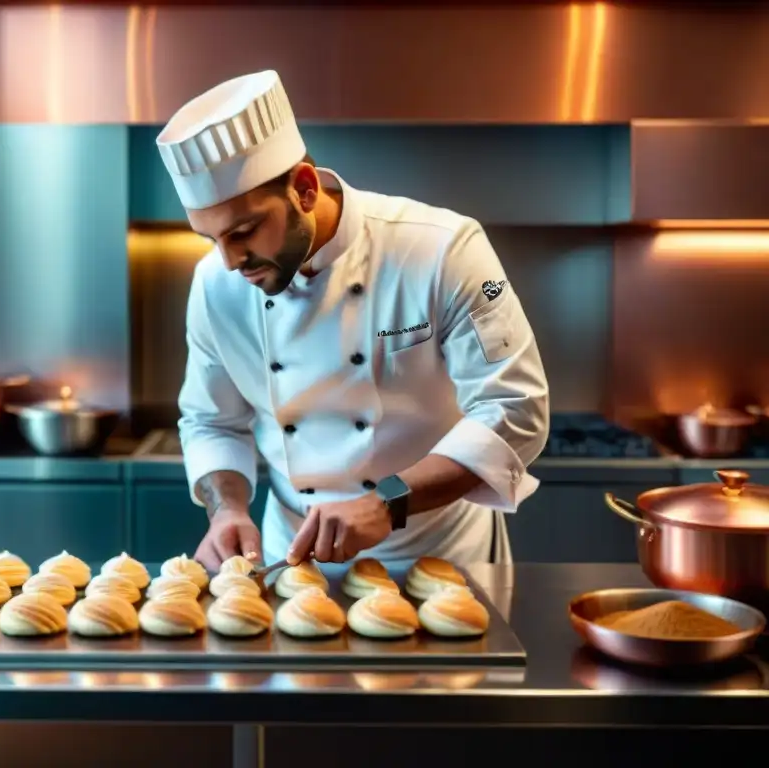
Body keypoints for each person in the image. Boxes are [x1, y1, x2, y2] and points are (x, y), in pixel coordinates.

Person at [156, 70, 550, 572]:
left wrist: (389, 502)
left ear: (303, 188)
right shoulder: (216, 284)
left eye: (245, 231)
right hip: (291, 558)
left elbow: (515, 407)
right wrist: (227, 508)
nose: (231, 261)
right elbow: (212, 420)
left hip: (439, 554)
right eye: (210, 238)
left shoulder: (442, 249)